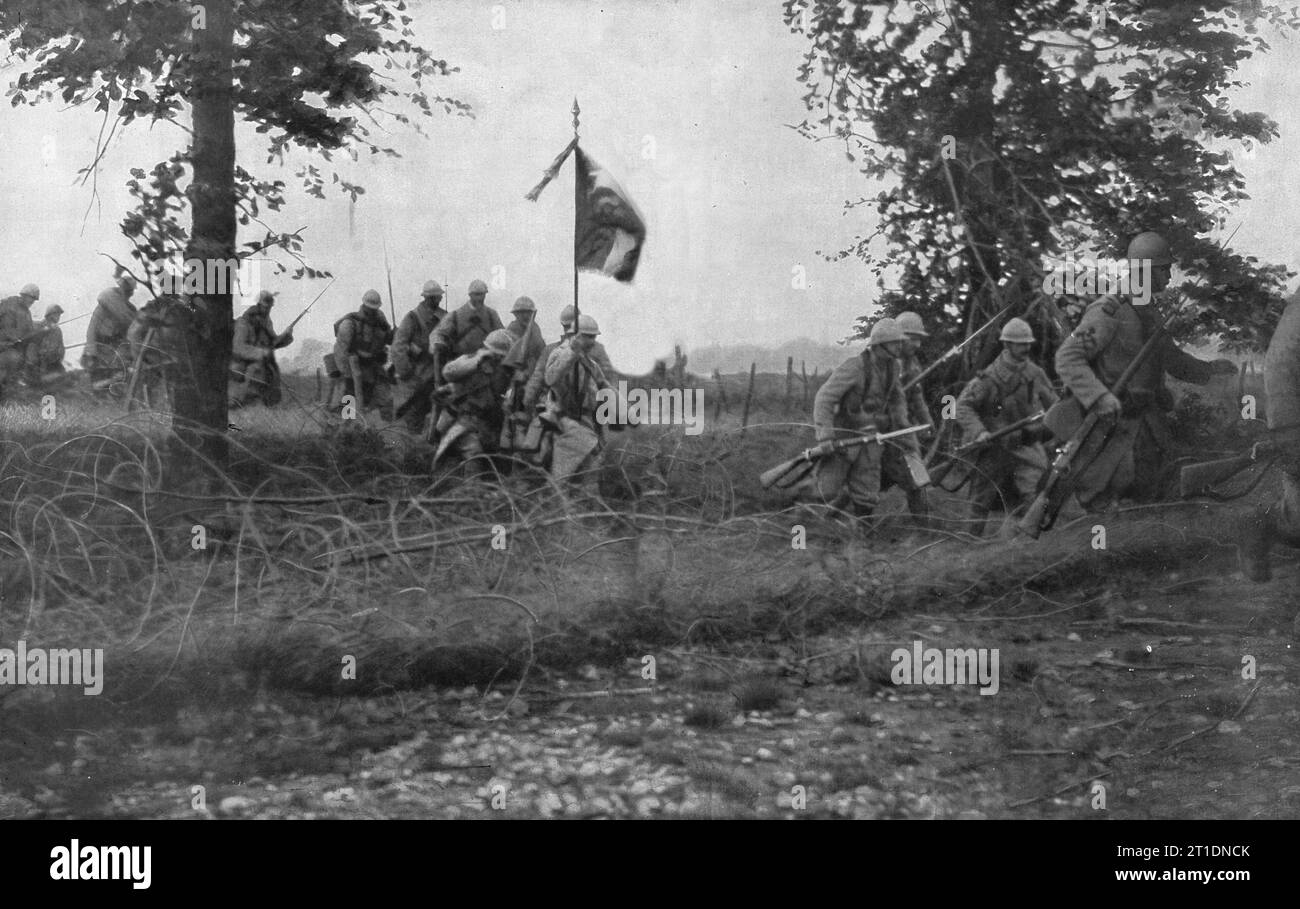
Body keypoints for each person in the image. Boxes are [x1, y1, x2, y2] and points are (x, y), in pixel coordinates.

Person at [1054, 230, 1237, 508]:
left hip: (1148, 421)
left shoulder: (1147, 310)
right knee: (1113, 498)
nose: (1169, 277)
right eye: (1164, 269)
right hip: (1113, 423)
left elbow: (1171, 359)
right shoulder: (1110, 310)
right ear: (1146, 270)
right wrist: (1099, 397)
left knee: (1161, 489)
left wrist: (1210, 370)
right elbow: (1068, 358)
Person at [955, 318, 1059, 536]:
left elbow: (1054, 406)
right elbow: (963, 407)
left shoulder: (1035, 373)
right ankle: (965, 545)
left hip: (1025, 445)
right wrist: (979, 431)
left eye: (1028, 343)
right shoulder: (989, 377)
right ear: (1007, 345)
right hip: (994, 447)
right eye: (1021, 343)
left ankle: (1029, 543)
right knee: (980, 500)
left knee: (1035, 491)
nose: (1027, 347)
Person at [810, 317, 917, 523]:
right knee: (827, 488)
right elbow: (824, 397)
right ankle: (806, 524)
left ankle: (862, 535)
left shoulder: (893, 368)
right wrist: (825, 435)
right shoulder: (854, 367)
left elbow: (897, 397)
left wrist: (902, 424)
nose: (900, 346)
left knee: (867, 486)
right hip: (844, 437)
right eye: (895, 342)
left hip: (871, 436)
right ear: (881, 344)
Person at [1239, 293, 1300, 594]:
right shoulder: (1297, 319)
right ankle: (1263, 524)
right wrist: (1289, 433)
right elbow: (1281, 375)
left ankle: (1265, 524)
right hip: (1293, 421)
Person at [541, 314, 612, 496]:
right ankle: (557, 507)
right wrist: (571, 352)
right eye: (587, 336)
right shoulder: (560, 353)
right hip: (565, 418)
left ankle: (587, 509)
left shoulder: (589, 362)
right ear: (575, 335)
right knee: (567, 469)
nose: (591, 341)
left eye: (593, 337)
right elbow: (550, 378)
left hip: (585, 419)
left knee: (591, 465)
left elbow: (602, 385)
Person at [434, 328, 516, 473]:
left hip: (486, 425)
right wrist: (477, 360)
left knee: (500, 458)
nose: (500, 360)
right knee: (474, 453)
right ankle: (471, 490)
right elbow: (448, 372)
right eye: (498, 356)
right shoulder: (471, 362)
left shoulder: (503, 373)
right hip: (461, 422)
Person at [392, 280, 448, 431]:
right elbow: (398, 346)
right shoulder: (413, 318)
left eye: (438, 297)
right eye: (433, 297)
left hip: (438, 372)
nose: (436, 300)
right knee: (413, 412)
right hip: (417, 374)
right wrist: (405, 371)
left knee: (439, 410)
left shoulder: (445, 317)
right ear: (425, 298)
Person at [331, 289, 394, 418]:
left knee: (386, 399)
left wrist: (394, 335)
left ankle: (386, 432)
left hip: (372, 368)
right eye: (369, 308)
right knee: (348, 404)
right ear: (364, 305)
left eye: (374, 309)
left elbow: (388, 339)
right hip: (351, 368)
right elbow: (341, 352)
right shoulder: (349, 324)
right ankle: (345, 431)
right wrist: (348, 375)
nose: (372, 311)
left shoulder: (380, 321)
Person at [430, 279, 504, 387]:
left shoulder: (491, 315)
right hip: (461, 366)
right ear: (470, 295)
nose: (479, 298)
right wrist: (439, 343)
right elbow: (438, 334)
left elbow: (502, 335)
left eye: (482, 295)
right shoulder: (455, 315)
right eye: (476, 295)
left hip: (486, 366)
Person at [228, 289, 293, 408]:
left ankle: (265, 402)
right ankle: (236, 401)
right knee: (253, 371)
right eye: (265, 307)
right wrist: (261, 352)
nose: (267, 310)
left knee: (270, 377)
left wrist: (286, 336)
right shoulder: (243, 324)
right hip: (240, 364)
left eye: (269, 307)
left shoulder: (266, 323)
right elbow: (238, 347)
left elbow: (272, 343)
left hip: (260, 363)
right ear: (258, 306)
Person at [83, 274, 139, 391]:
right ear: (122, 288)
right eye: (128, 290)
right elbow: (92, 329)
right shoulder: (105, 304)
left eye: (131, 291)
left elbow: (129, 332)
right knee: (98, 382)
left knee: (118, 377)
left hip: (115, 348)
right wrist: (91, 351)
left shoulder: (129, 310)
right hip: (100, 347)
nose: (130, 293)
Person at [0, 284, 42, 394]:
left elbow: (30, 332)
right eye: (31, 298)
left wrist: (41, 330)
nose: (32, 302)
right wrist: (13, 338)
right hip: (3, 346)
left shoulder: (27, 313)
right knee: (13, 359)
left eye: (33, 300)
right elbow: (6, 328)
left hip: (13, 349)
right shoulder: (8, 304)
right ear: (24, 295)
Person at [34, 304, 68, 387]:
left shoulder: (57, 330)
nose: (58, 317)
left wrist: (59, 355)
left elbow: (61, 347)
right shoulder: (39, 325)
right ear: (49, 315)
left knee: (64, 381)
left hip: (54, 362)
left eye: (59, 315)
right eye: (56, 314)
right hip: (40, 363)